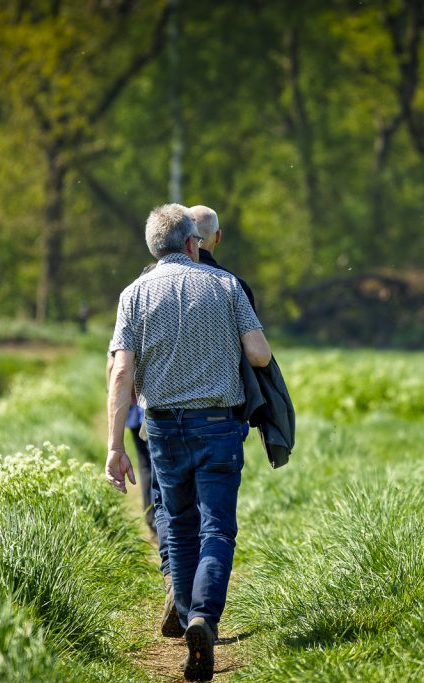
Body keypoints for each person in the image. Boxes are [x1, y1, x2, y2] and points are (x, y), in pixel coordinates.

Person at [106, 203, 271, 682]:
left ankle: (184, 610)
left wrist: (115, 446)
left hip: (161, 426)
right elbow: (258, 354)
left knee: (175, 523)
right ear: (192, 243)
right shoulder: (225, 287)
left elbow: (120, 372)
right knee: (217, 527)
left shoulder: (133, 294)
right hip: (219, 423)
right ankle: (203, 617)